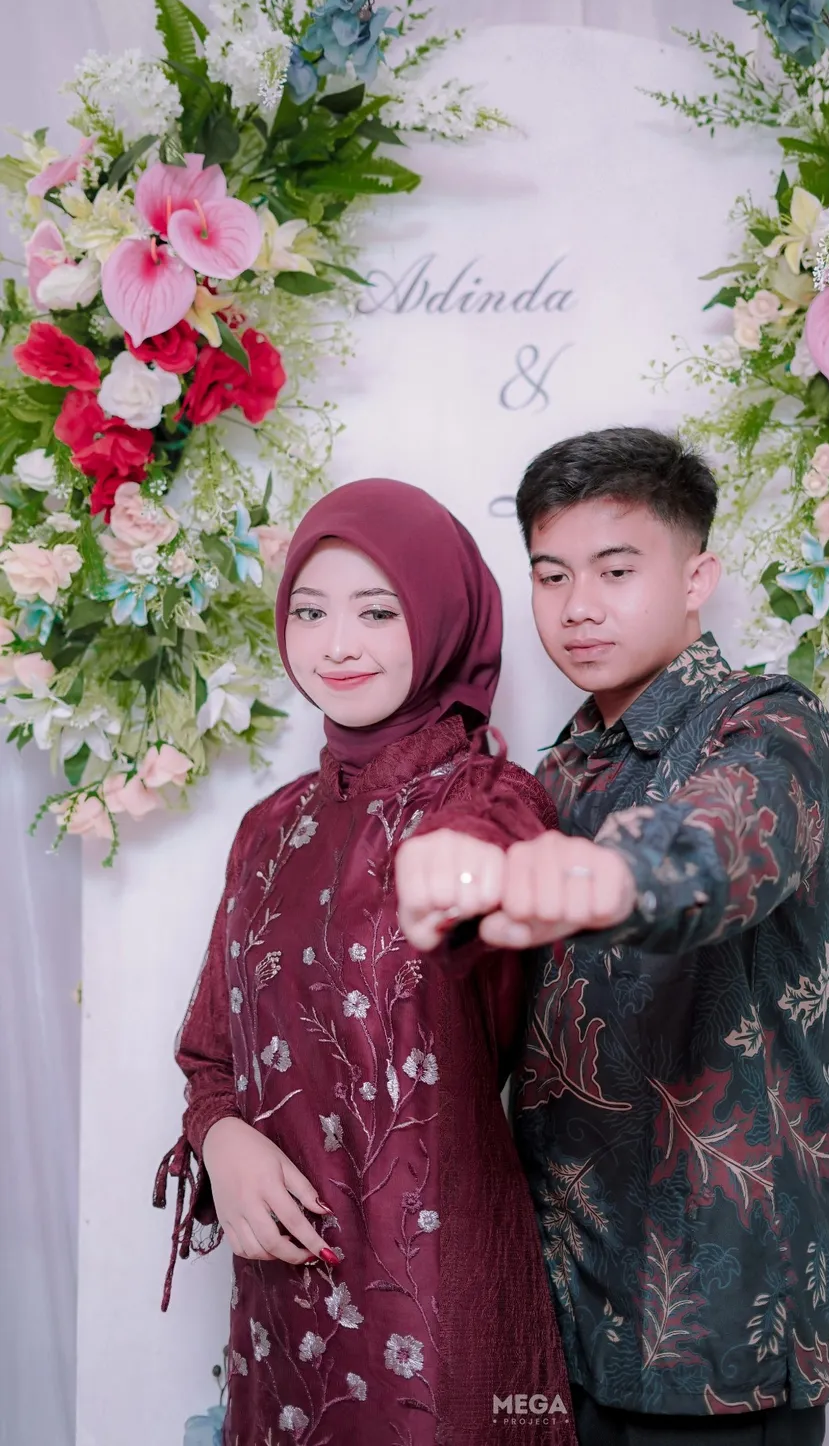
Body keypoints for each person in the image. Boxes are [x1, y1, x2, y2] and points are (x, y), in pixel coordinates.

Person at [396, 429, 829, 1446]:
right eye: (550, 574)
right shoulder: (551, 774)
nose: (577, 607)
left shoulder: (769, 723)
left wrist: (606, 876)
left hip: (721, 1333)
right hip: (558, 1320)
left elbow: (725, 842)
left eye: (614, 569)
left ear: (696, 580)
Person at [154, 479, 576, 1446]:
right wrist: (220, 1138)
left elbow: (501, 915)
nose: (336, 644)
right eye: (309, 612)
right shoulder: (269, 829)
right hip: (280, 1312)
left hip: (435, 1304)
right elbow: (213, 1053)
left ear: (441, 618)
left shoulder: (494, 805)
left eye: (378, 612)